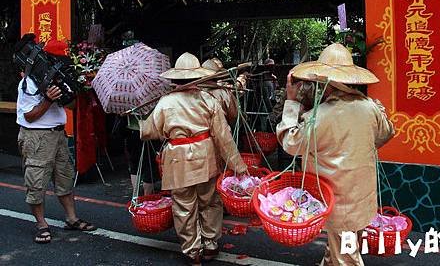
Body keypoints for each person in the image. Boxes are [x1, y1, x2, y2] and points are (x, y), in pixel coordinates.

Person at [277, 43, 395, 266]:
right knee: (343, 246)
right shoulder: (369, 107)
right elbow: (386, 132)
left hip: (337, 200)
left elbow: (291, 144)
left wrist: (291, 101)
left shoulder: (320, 116)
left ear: (325, 81)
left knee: (346, 257)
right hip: (362, 196)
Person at [139, 53, 248, 265]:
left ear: (176, 79)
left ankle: (192, 250)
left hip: (178, 159)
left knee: (183, 205)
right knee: (210, 201)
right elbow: (223, 137)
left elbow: (149, 131)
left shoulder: (165, 102)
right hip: (205, 155)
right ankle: (210, 245)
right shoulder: (208, 100)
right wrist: (238, 165)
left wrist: (139, 122)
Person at [15, 38, 96, 244]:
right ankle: (41, 224)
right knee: (36, 182)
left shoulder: (56, 78)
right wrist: (48, 99)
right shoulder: (28, 82)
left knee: (65, 177)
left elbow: (71, 105)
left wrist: (76, 90)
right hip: (37, 137)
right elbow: (29, 116)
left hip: (58, 135)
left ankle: (71, 218)